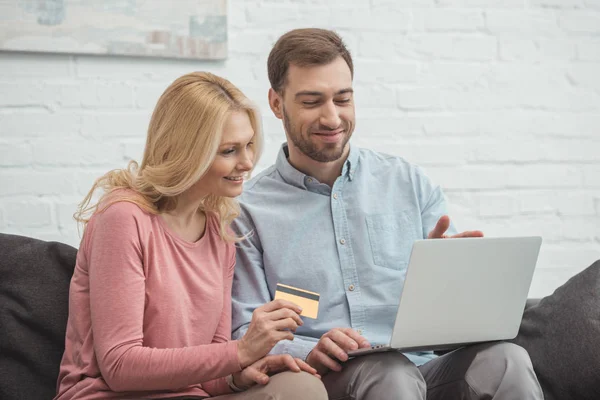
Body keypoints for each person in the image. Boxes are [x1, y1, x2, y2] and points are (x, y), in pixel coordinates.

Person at [231, 29, 544, 399]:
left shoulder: (407, 182)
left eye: (343, 99)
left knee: (507, 359)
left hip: (424, 365)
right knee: (388, 372)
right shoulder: (248, 209)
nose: (332, 118)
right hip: (333, 376)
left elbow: (454, 320)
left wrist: (455, 281)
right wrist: (307, 350)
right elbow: (244, 330)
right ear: (277, 103)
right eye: (312, 101)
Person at [54, 72, 327, 400]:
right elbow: (120, 366)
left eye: (249, 145)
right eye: (229, 150)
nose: (248, 162)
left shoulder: (219, 233)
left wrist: (236, 377)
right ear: (187, 151)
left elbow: (208, 372)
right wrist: (240, 352)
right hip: (107, 395)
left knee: (301, 386)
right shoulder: (124, 218)